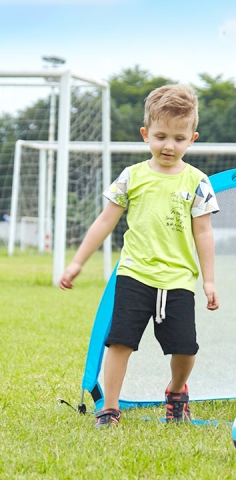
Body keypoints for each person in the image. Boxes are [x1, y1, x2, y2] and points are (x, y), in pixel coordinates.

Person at [59, 84, 220, 428]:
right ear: (146, 134)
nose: (168, 145)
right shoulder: (131, 177)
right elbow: (104, 222)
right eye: (161, 136)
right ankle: (110, 409)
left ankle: (176, 392)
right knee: (120, 341)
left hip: (177, 280)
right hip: (133, 274)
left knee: (185, 348)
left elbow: (203, 232)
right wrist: (77, 262)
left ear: (192, 138)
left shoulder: (198, 182)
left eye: (179, 138)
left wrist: (208, 280)